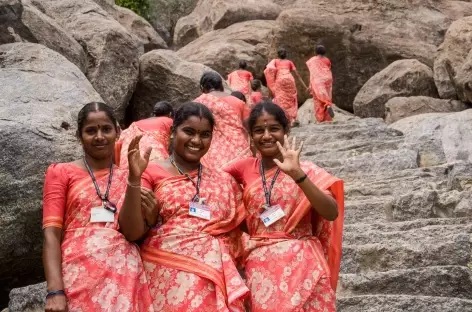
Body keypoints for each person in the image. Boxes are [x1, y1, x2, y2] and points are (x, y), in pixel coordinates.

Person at [119, 102, 249, 311]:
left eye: (204, 134)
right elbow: (131, 232)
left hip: (217, 277)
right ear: (172, 132)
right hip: (167, 275)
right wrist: (134, 179)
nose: (196, 141)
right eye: (188, 132)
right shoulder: (149, 172)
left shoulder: (224, 180)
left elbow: (245, 230)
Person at [224, 101, 344, 312]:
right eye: (259, 130)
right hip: (262, 267)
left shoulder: (306, 169)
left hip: (304, 263)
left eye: (274, 129)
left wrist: (298, 175)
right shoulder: (243, 168)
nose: (267, 135)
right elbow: (212, 181)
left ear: (286, 130)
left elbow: (331, 212)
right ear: (251, 136)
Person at [42, 102, 155, 312]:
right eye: (91, 131)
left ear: (118, 131)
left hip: (124, 277)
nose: (99, 136)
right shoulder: (61, 172)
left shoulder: (130, 174)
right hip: (78, 274)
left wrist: (134, 178)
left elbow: (132, 233)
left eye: (106, 129)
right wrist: (55, 290)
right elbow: (51, 234)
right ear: (79, 135)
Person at [194, 71, 252, 169]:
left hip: (211, 155)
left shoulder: (197, 104)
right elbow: (249, 127)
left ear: (202, 88)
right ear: (221, 86)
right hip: (240, 151)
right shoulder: (238, 102)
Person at [115, 101, 174, 168]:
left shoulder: (136, 123)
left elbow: (119, 142)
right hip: (152, 159)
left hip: (128, 157)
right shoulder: (169, 121)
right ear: (170, 114)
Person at [264, 47, 308, 125]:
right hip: (289, 80)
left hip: (280, 80)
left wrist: (271, 86)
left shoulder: (275, 61)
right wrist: (305, 87)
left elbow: (268, 70)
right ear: (286, 55)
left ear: (278, 55)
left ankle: (283, 119)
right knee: (291, 100)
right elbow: (297, 75)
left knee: (281, 99)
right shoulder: (289, 62)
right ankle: (292, 119)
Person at [306, 45, 335, 122]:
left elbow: (313, 74)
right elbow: (328, 69)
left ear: (315, 52)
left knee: (317, 99)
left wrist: (310, 85)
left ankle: (321, 118)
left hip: (318, 80)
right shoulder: (327, 60)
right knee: (327, 96)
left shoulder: (312, 60)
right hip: (328, 79)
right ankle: (328, 114)